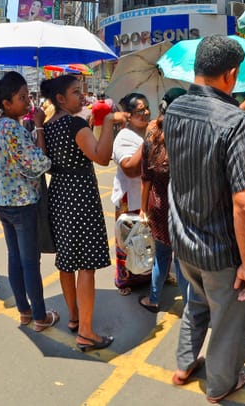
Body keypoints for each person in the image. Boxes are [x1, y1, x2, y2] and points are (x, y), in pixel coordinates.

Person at [164, 35, 245, 401]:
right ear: (232, 74)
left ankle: (184, 364)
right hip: (220, 246)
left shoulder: (174, 110)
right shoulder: (234, 122)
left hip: (184, 239)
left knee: (196, 302)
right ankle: (221, 384)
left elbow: (206, 144)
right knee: (228, 319)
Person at [41, 74, 129, 351]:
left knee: (66, 260)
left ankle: (75, 317)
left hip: (59, 193)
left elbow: (48, 162)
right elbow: (101, 157)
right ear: (60, 99)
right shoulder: (75, 123)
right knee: (86, 264)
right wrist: (108, 123)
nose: (82, 96)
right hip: (80, 194)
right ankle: (87, 332)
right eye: (76, 92)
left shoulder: (49, 124)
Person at [0, 72, 57, 331]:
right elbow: (39, 163)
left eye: (27, 96)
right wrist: (39, 126)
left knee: (15, 257)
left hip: (2, 202)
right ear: (6, 103)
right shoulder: (13, 129)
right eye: (22, 97)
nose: (27, 102)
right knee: (29, 262)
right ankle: (40, 316)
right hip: (21, 204)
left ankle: (24, 311)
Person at [139, 87, 190, 313]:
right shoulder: (188, 135)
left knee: (161, 255)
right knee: (181, 259)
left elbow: (145, 177)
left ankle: (153, 298)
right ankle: (190, 306)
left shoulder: (152, 134)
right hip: (182, 205)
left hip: (158, 206)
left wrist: (143, 210)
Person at [111, 92, 152, 295]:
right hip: (130, 197)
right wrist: (149, 140)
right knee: (128, 240)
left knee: (147, 239)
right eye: (139, 111)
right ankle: (124, 280)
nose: (145, 113)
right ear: (128, 115)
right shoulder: (124, 137)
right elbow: (129, 168)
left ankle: (149, 274)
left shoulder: (149, 130)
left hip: (149, 196)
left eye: (146, 108)